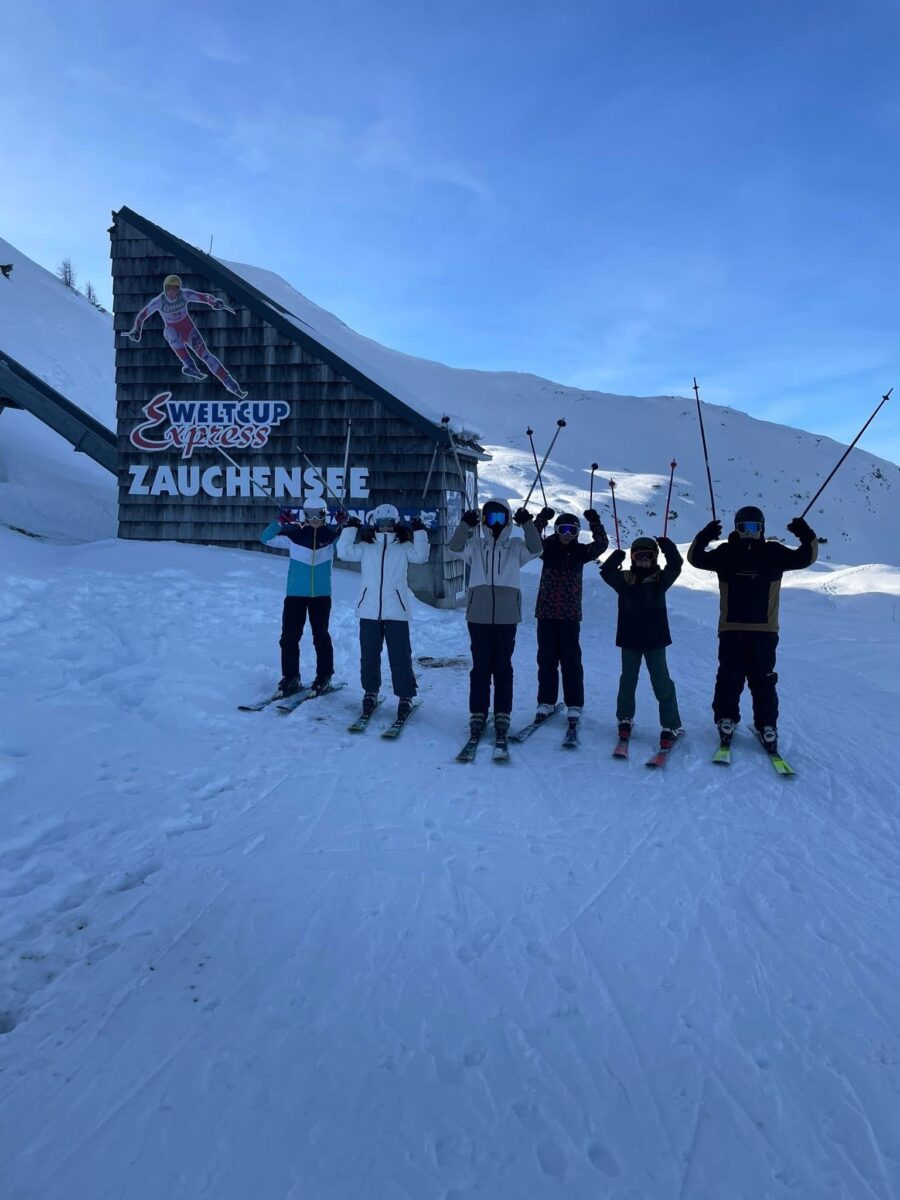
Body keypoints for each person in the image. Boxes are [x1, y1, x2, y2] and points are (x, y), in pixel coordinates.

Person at [687, 506, 817, 752]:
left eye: (754, 527)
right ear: (736, 529)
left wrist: (804, 533)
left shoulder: (771, 552)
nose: (749, 532)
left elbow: (806, 557)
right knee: (731, 677)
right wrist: (704, 536)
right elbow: (695, 559)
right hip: (735, 628)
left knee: (762, 680)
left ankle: (765, 725)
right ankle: (728, 719)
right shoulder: (728, 552)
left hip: (761, 630)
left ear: (762, 528)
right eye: (743, 527)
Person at [447, 498, 544, 744]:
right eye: (491, 517)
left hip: (506, 616)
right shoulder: (476, 545)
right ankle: (478, 712)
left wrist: (528, 524)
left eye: (501, 517)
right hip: (478, 615)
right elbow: (454, 547)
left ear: (508, 519)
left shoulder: (515, 546)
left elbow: (536, 549)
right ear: (483, 520)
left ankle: (502, 712)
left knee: (502, 666)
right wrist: (464, 525)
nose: (496, 523)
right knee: (480, 667)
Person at [336, 504, 430, 720]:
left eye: (389, 523)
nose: (385, 527)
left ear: (395, 523)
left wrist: (419, 531)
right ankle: (370, 692)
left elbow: (421, 556)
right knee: (369, 656)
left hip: (396, 610)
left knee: (400, 656)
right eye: (381, 523)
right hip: (368, 610)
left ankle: (405, 696)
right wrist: (350, 528)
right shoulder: (366, 546)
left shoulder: (404, 546)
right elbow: (343, 552)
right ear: (375, 523)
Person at [600, 534, 683, 749]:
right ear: (632, 558)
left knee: (661, 682)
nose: (644, 560)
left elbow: (676, 565)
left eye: (648, 556)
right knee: (628, 681)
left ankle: (670, 724)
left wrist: (667, 546)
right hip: (630, 639)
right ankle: (624, 718)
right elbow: (606, 572)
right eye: (639, 556)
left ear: (655, 557)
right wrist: (617, 556)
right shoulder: (624, 580)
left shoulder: (660, 579)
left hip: (655, 640)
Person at [260, 499, 344, 698]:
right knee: (289, 638)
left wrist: (345, 526)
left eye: (319, 513)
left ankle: (324, 676)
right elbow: (266, 538)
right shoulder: (294, 536)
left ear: (325, 515)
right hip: (295, 595)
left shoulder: (331, 537)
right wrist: (280, 522)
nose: (315, 518)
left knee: (321, 637)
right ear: (305, 515)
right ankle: (291, 677)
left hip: (321, 596)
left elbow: (347, 548)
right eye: (310, 513)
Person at [533, 509, 609, 725]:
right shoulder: (546, 549)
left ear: (577, 533)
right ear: (556, 530)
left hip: (570, 615)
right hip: (546, 613)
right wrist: (541, 519)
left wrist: (595, 521)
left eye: (572, 531)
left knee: (571, 660)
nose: (567, 534)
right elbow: (531, 540)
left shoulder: (581, 552)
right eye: (563, 529)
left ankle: (574, 703)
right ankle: (546, 701)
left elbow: (601, 544)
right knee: (546, 659)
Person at [124, 274, 247, 398]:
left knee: (206, 356)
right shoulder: (159, 301)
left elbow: (202, 297)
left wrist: (213, 302)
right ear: (164, 288)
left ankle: (231, 385)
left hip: (189, 330)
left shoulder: (184, 294)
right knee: (169, 332)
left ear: (179, 289)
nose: (171, 292)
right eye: (168, 288)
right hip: (174, 330)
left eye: (174, 289)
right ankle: (189, 364)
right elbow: (142, 315)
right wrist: (137, 329)